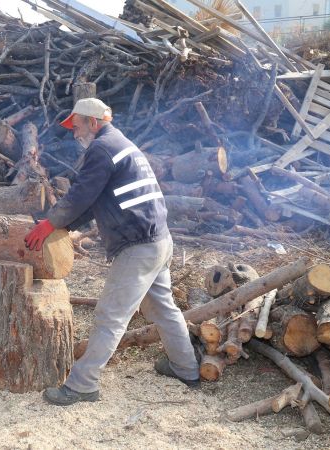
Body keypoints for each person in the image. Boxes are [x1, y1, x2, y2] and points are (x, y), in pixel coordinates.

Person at [24, 98, 200, 405]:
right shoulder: (121, 145)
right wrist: (62, 227)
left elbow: (81, 195)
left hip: (139, 246)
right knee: (162, 307)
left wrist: (50, 224)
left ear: (93, 122)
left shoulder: (102, 149)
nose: (75, 133)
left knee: (110, 315)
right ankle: (185, 367)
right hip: (159, 240)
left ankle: (83, 384)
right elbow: (95, 201)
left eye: (77, 126)